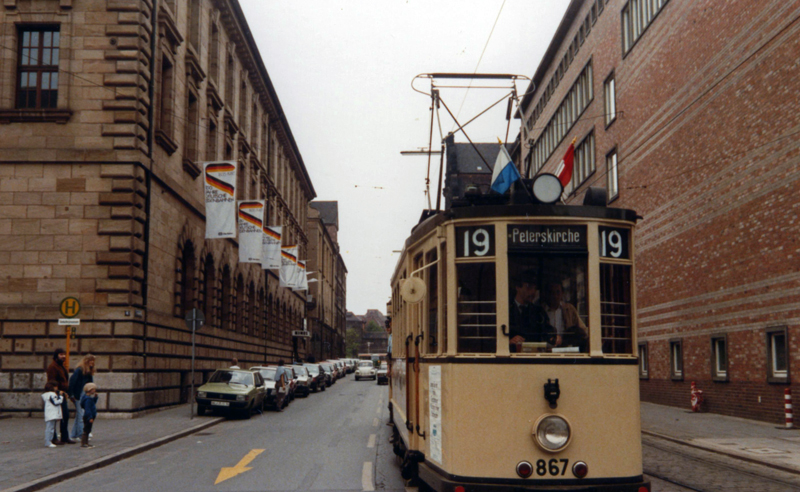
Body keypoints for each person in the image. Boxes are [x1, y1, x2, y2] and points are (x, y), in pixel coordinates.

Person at [538, 281, 588, 351]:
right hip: (544, 352)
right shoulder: (539, 311)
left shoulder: (569, 309)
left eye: (558, 292)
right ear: (546, 294)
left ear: (562, 294)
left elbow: (583, 330)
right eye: (551, 292)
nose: (555, 296)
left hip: (565, 351)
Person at [508, 270, 550, 350]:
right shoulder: (505, 309)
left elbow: (547, 332)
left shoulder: (539, 312)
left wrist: (553, 337)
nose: (533, 291)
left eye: (535, 288)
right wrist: (508, 342)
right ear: (518, 287)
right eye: (529, 286)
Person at [46, 349, 75, 444]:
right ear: (56, 355)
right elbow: (51, 382)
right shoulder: (52, 367)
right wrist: (58, 391)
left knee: (65, 416)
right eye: (61, 354)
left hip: (63, 395)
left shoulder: (61, 366)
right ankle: (53, 438)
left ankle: (64, 436)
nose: (63, 356)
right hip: (56, 395)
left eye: (64, 354)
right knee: (55, 417)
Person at [68, 354, 95, 441]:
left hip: (83, 394)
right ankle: (80, 434)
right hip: (78, 395)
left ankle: (74, 434)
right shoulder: (79, 370)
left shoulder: (88, 372)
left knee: (79, 414)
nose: (93, 363)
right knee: (81, 414)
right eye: (91, 361)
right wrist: (71, 394)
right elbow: (72, 382)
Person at [42, 381, 64, 448]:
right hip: (52, 414)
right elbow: (56, 402)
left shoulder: (46, 394)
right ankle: (48, 441)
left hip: (49, 413)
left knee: (50, 428)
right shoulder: (52, 394)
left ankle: (49, 441)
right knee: (50, 428)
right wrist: (60, 396)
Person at [80, 383, 98, 449]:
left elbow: (92, 403)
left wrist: (95, 398)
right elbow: (88, 409)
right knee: (86, 430)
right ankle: (84, 443)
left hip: (89, 416)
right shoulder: (87, 399)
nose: (95, 391)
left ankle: (86, 443)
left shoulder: (88, 398)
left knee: (88, 429)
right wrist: (90, 417)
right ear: (90, 390)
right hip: (88, 416)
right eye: (94, 389)